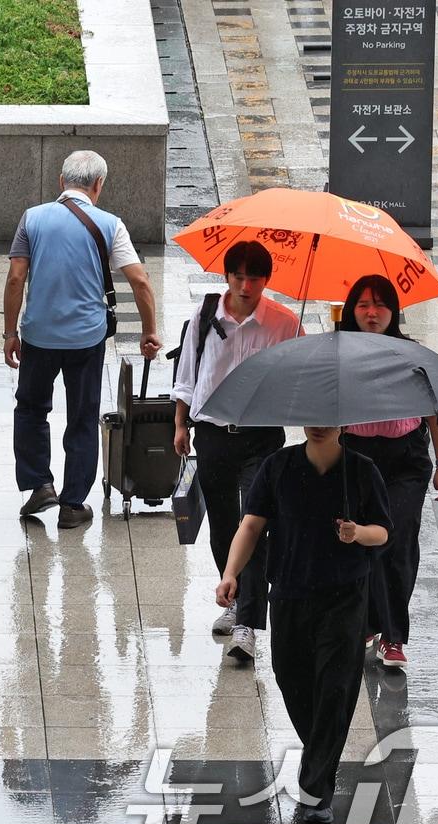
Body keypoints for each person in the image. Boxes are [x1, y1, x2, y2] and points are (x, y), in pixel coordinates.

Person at [215, 426, 392, 824]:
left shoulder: (361, 471)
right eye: (311, 415)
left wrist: (357, 533)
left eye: (328, 416)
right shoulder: (278, 466)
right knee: (291, 677)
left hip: (345, 598)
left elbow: (383, 530)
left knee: (335, 687)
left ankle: (316, 792)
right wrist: (231, 574)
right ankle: (320, 751)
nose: (319, 423)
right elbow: (250, 525)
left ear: (343, 421)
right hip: (291, 593)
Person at [3, 150, 162, 526]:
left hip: (39, 335)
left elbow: (15, 278)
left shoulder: (32, 218)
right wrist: (149, 330)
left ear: (61, 182)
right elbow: (140, 280)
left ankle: (39, 483)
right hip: (86, 339)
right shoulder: (110, 224)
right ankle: (73, 505)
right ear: (98, 185)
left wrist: (11, 332)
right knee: (82, 416)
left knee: (30, 408)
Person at [171, 240, 301, 661]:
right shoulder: (206, 314)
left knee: (255, 523)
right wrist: (180, 422)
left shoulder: (284, 324)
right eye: (239, 276)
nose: (246, 286)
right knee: (223, 523)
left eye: (255, 278)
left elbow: (300, 378)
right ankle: (234, 592)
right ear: (226, 277)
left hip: (261, 436)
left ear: (267, 280)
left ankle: (247, 622)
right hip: (212, 434)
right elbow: (188, 372)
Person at [339, 274, 438, 669]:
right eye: (364, 305)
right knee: (360, 540)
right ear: (352, 309)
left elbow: (436, 415)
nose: (372, 313)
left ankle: (393, 636)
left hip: (405, 460)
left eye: (381, 305)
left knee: (396, 541)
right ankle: (368, 622)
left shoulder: (412, 355)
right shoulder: (338, 355)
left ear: (395, 311)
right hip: (354, 456)